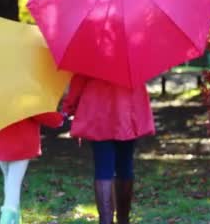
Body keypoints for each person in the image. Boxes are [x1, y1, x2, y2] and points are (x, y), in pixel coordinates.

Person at [61, 74, 155, 224]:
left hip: (98, 115)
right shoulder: (132, 53)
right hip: (127, 113)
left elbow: (78, 82)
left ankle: (105, 221)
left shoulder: (90, 53)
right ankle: (123, 220)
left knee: (103, 169)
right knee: (125, 167)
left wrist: (68, 108)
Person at [0, 112, 64, 224]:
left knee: (9, 184)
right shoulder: (27, 93)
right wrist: (58, 119)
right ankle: (6, 221)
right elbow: (38, 110)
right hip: (21, 139)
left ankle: (15, 221)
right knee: (13, 186)